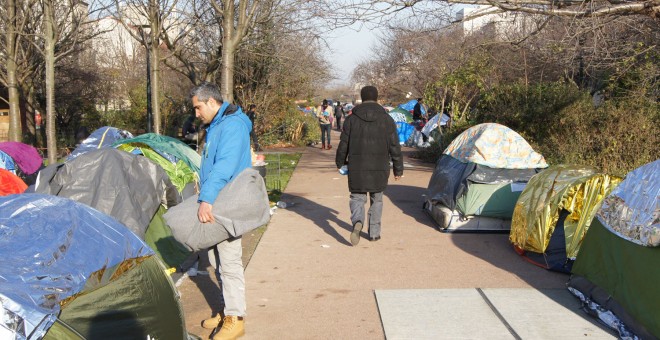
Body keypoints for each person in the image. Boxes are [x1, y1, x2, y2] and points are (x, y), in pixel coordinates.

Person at [191, 82, 251, 340]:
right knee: (216, 260)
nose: (196, 113)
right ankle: (227, 310)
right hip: (218, 200)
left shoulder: (232, 126)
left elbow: (225, 165)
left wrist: (207, 198)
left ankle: (236, 319)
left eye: (198, 107)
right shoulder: (218, 124)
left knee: (229, 261)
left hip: (225, 201)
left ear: (212, 103)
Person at [335, 86, 403, 245]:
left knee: (357, 197)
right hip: (380, 166)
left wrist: (339, 162)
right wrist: (398, 169)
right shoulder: (387, 119)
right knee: (377, 199)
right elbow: (395, 146)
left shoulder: (352, 119)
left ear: (362, 97)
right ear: (377, 98)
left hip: (357, 166)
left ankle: (358, 221)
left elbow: (343, 144)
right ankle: (374, 233)